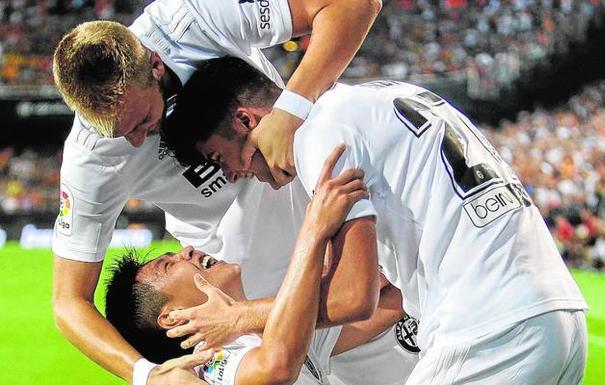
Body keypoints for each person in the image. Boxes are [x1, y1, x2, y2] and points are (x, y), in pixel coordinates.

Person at [162, 57, 590, 384]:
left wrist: (238, 317)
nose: (235, 175)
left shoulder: (317, 136)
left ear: (246, 120)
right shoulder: (379, 97)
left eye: (222, 158)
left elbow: (353, 297)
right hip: (559, 317)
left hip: (487, 329)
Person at [50, 1, 384, 384]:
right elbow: (68, 301)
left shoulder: (192, 18)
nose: (136, 140)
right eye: (119, 134)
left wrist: (290, 111)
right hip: (232, 285)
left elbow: (352, 4)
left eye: (142, 121)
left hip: (324, 208)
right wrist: (147, 375)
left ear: (155, 65)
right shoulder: (91, 158)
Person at [104, 159, 405, 385]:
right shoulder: (207, 363)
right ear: (172, 317)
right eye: (169, 264)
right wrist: (315, 230)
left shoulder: (263, 331)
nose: (187, 251)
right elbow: (277, 368)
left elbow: (380, 306)